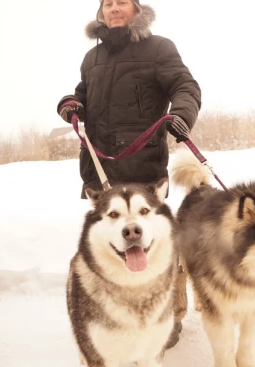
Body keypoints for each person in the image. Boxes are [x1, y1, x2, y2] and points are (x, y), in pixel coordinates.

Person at [56, 0, 202, 348]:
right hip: (99, 165)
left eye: (121, 2)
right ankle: (116, 317)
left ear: (137, 9)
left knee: (154, 245)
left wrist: (181, 115)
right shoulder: (92, 57)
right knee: (109, 246)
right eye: (107, 3)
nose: (113, 8)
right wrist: (72, 103)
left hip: (143, 166)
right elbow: (84, 94)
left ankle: (167, 314)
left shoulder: (158, 47)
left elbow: (186, 86)